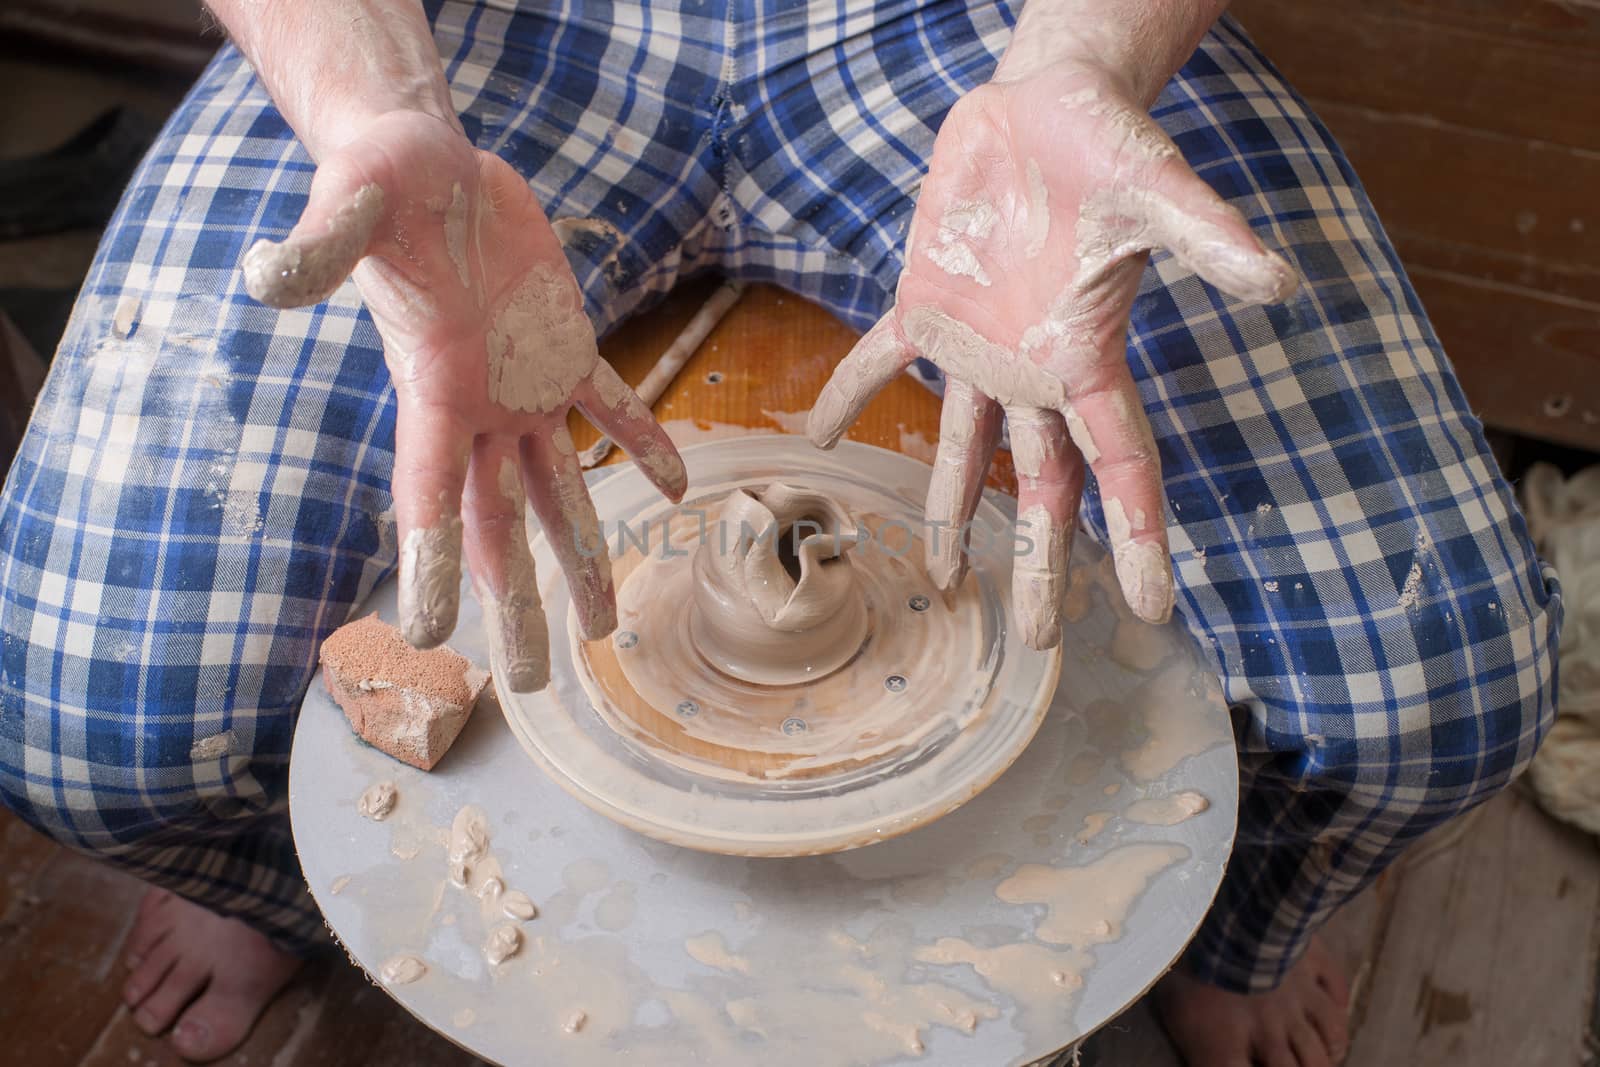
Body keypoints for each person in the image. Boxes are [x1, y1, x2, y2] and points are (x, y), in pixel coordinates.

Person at [0, 0, 1560, 1063]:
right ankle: (274, 899)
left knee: (1433, 692)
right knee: (94, 728)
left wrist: (1084, 63)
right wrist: (365, 106)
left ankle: (1239, 943)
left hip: (983, 37)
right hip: (461, 40)